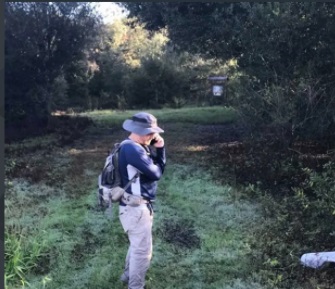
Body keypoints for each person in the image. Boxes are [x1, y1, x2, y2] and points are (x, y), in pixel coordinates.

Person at [118, 112, 166, 289]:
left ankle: (127, 276)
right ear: (139, 131)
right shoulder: (133, 149)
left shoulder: (130, 146)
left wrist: (157, 149)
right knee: (142, 252)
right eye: (151, 133)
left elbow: (155, 170)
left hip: (132, 207)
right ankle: (135, 286)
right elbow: (156, 173)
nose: (154, 136)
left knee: (136, 245)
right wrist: (160, 149)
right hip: (136, 209)